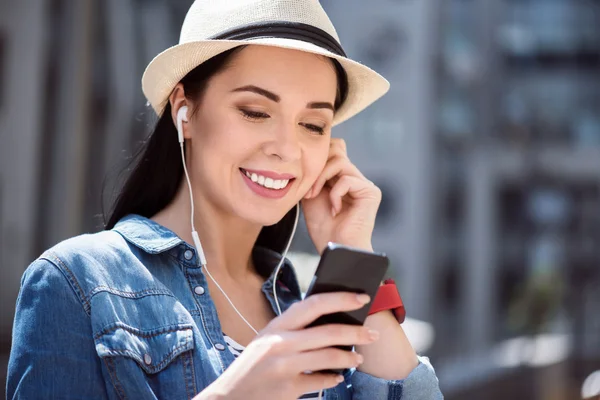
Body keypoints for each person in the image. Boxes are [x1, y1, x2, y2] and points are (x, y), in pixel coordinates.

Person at [6, 1, 442, 399]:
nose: (287, 149)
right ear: (185, 111)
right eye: (255, 112)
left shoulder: (314, 311)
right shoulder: (77, 283)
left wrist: (353, 254)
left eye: (313, 124)